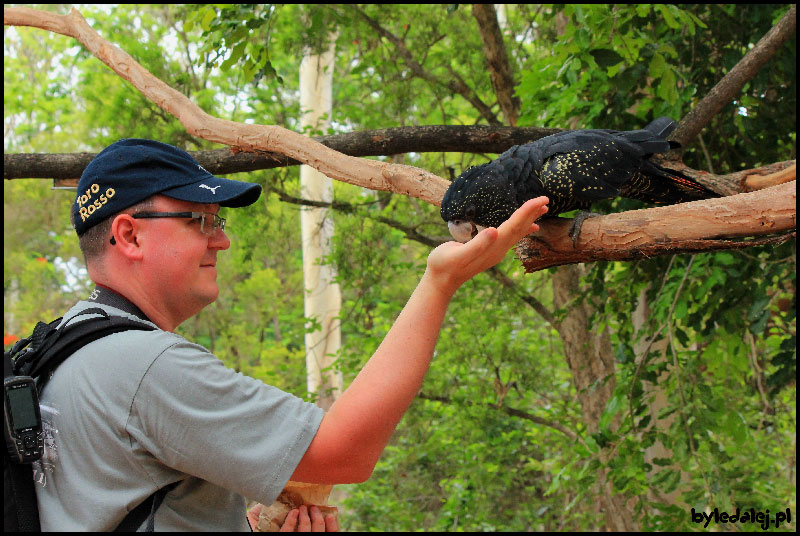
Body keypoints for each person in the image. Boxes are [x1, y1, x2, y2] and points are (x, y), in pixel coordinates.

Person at [32, 139, 549, 531]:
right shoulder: (143, 368)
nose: (223, 239)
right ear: (129, 234)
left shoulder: (63, 349)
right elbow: (345, 452)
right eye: (200, 220)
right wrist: (440, 282)